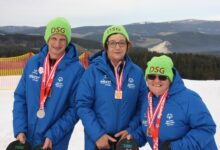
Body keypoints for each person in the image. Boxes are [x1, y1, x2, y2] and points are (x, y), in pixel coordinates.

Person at [13, 17, 84, 150]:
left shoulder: (77, 71)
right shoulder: (33, 63)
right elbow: (20, 97)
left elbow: (75, 109)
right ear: (47, 38)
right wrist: (20, 129)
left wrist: (52, 135)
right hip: (25, 140)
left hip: (53, 143)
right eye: (54, 38)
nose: (57, 44)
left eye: (62, 39)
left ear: (67, 41)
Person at [76, 25, 147, 150]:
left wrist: (130, 129)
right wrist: (98, 135)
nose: (118, 47)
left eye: (122, 42)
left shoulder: (137, 73)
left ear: (127, 45)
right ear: (106, 46)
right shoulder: (93, 71)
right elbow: (82, 105)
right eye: (113, 43)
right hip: (98, 142)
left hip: (125, 142)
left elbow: (143, 106)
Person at [128, 55, 217, 150]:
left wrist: (175, 147)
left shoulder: (189, 99)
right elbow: (150, 126)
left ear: (170, 79)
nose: (156, 80)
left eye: (162, 77)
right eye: (151, 76)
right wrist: (132, 139)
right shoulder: (147, 100)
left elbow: (206, 128)